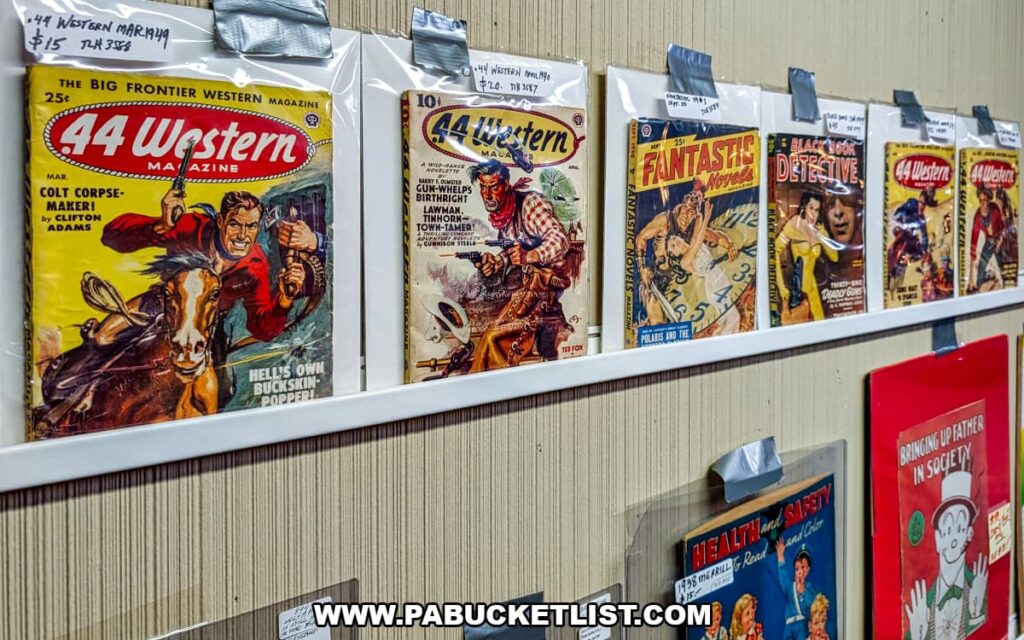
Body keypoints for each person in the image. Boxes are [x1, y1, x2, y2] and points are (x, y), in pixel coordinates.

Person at [464, 159, 574, 371]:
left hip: (546, 287)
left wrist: (530, 255)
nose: (487, 195)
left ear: (505, 185)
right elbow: (513, 250)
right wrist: (497, 262)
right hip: (526, 286)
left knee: (495, 338)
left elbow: (560, 240)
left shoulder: (530, 205)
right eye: (483, 187)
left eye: (494, 187)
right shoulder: (504, 216)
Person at [635, 183, 740, 334]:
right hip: (656, 279)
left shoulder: (693, 228)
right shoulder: (665, 221)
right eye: (685, 211)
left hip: (680, 285)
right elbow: (641, 238)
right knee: (657, 324)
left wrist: (729, 245)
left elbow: (715, 236)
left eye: (692, 213)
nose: (687, 216)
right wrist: (642, 267)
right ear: (680, 206)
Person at [904, 470, 989, 640]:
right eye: (948, 529)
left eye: (960, 529)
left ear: (969, 534)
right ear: (937, 537)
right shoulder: (921, 607)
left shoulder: (978, 589)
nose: (953, 539)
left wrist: (975, 615)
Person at [774, 191, 838, 323]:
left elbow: (834, 257)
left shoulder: (817, 229)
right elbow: (775, 250)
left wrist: (823, 235)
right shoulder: (794, 224)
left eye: (817, 210)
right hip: (798, 292)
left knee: (819, 327)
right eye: (811, 208)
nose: (813, 213)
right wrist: (781, 286)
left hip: (813, 290)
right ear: (804, 207)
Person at [777, 538, 819, 640]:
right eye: (797, 568)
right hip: (789, 625)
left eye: (803, 567)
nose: (800, 571)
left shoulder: (809, 589)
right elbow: (783, 577)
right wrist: (781, 557)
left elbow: (812, 606)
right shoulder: (790, 587)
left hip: (802, 625)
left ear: (808, 570)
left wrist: (803, 590)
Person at [968, 186, 1005, 292]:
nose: (982, 203)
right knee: (981, 267)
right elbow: (973, 238)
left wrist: (1000, 242)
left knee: (1002, 265)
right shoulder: (977, 217)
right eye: (980, 200)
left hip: (999, 240)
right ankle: (983, 284)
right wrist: (972, 255)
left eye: (984, 200)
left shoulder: (995, 209)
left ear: (988, 200)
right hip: (989, 242)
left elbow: (1002, 226)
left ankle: (1006, 284)